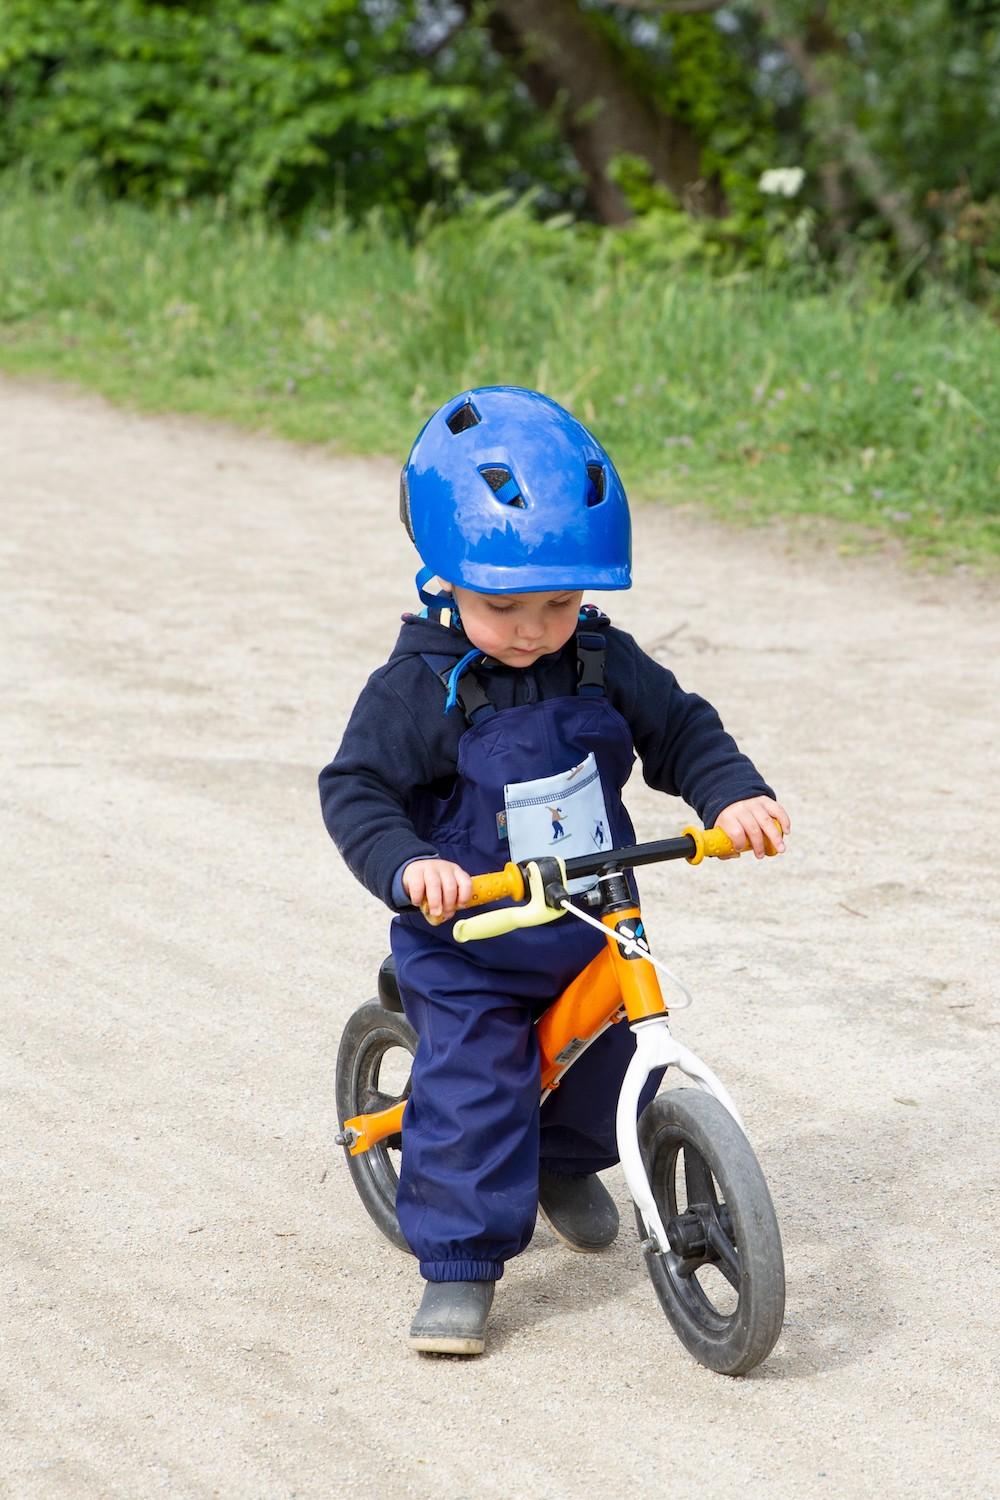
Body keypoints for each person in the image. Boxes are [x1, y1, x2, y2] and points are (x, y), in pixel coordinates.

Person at [319, 386, 789, 1356]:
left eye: (562, 603)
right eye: (504, 605)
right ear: (439, 575)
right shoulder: (418, 686)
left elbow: (682, 729)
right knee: (476, 1094)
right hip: (472, 943)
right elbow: (357, 787)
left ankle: (563, 1164)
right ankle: (457, 1265)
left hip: (591, 924)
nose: (535, 627)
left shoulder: (601, 661)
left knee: (610, 1065)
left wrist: (729, 797)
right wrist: (409, 867)